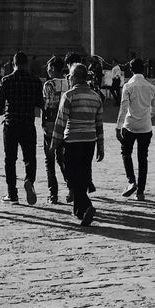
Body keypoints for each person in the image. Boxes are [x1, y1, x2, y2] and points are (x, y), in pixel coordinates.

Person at [52, 62, 105, 226]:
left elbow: (61, 121)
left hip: (73, 141)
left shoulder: (69, 95)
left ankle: (87, 205)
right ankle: (79, 211)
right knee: (83, 174)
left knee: (72, 176)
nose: (68, 78)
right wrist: (101, 145)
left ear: (75, 77)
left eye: (70, 75)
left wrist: (54, 142)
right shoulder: (96, 96)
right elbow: (99, 124)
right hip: (90, 141)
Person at [0, 50, 44, 205]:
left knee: (10, 159)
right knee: (30, 158)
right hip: (28, 124)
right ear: (26, 64)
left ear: (13, 64)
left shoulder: (6, 80)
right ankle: (29, 180)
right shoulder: (35, 81)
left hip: (11, 124)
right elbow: (41, 104)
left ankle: (12, 194)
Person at [116, 57, 155, 201]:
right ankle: (140, 191)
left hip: (130, 125)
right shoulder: (151, 87)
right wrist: (146, 115)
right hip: (146, 126)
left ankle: (131, 181)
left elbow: (123, 108)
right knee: (143, 158)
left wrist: (118, 126)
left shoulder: (128, 86)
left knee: (126, 153)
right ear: (144, 69)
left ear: (131, 69)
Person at [40, 56, 70, 205]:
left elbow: (46, 106)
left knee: (49, 160)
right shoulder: (69, 82)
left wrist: (43, 123)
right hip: (67, 125)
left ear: (52, 69)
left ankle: (53, 193)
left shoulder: (49, 85)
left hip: (51, 125)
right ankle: (71, 186)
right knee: (64, 158)